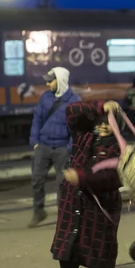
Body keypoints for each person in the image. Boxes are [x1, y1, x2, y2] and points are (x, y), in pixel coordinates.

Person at [52, 100, 125, 268]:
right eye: (102, 121)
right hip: (72, 207)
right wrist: (101, 106)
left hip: (98, 213)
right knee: (67, 259)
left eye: (109, 122)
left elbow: (111, 180)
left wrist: (82, 178)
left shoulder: (121, 149)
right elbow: (71, 111)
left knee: (102, 262)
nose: (104, 126)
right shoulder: (83, 136)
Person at [29, 67, 80, 227]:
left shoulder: (74, 100)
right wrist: (35, 142)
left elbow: (77, 127)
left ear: (61, 80)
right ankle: (39, 212)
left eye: (50, 80)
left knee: (62, 184)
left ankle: (63, 217)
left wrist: (70, 147)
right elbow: (37, 119)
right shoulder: (45, 98)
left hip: (62, 148)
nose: (47, 83)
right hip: (43, 146)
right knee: (36, 180)